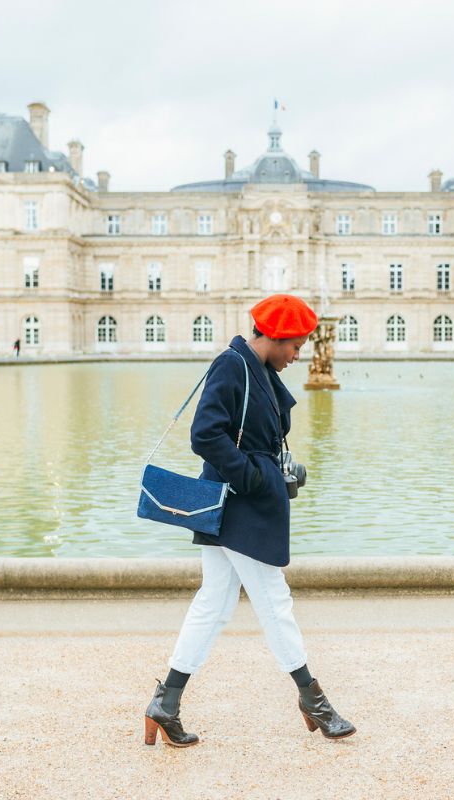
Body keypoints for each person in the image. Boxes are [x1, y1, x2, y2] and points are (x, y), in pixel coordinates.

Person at [144, 294, 355, 748]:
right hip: (241, 505)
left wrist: (277, 468)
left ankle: (166, 703)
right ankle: (313, 701)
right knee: (274, 601)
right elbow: (205, 434)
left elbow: (255, 432)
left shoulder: (253, 366)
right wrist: (256, 478)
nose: (299, 356)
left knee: (214, 603)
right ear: (274, 337)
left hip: (239, 503)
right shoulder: (232, 364)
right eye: (295, 346)